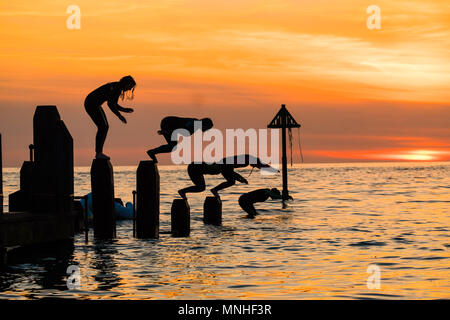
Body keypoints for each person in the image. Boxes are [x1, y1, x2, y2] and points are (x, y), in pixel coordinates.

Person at [178, 154, 279, 199]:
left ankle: (214, 190)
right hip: (195, 168)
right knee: (201, 187)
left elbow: (260, 165)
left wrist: (272, 170)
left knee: (230, 181)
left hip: (198, 168)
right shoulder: (228, 163)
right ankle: (183, 191)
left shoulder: (238, 161)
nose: (254, 166)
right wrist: (241, 179)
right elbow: (231, 173)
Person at [84, 75, 136, 159]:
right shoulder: (116, 88)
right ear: (126, 83)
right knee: (103, 127)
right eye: (130, 87)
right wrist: (119, 115)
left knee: (104, 127)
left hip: (93, 104)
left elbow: (114, 104)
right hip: (91, 104)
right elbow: (111, 105)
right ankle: (98, 153)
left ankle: (99, 153)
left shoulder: (117, 87)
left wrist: (124, 110)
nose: (130, 89)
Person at [146, 116, 213, 162]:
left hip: (168, 123)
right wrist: (167, 131)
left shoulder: (196, 126)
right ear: (204, 125)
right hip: (168, 122)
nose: (206, 130)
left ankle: (152, 152)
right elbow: (182, 128)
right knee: (173, 146)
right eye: (208, 128)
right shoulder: (194, 123)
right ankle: (152, 152)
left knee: (172, 146)